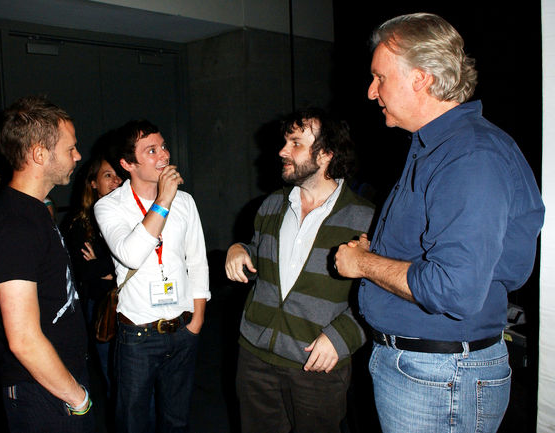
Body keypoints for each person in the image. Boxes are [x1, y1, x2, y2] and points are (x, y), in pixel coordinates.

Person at [333, 13, 545, 433]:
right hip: (427, 369)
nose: (371, 91)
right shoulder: (436, 148)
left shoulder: (470, 156)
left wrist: (363, 264)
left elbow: (455, 289)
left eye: (380, 78)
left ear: (421, 78)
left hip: (441, 374)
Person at [225, 108, 375, 433]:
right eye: (285, 141)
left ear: (326, 154)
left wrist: (343, 337)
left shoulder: (366, 219)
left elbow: (380, 294)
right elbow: (262, 264)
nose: (282, 150)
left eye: (295, 143)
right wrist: (240, 251)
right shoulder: (270, 206)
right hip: (255, 355)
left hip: (317, 364)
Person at [0, 96, 93, 433]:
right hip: (42, 391)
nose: (78, 156)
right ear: (39, 154)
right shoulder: (14, 224)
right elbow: (24, 338)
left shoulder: (34, 210)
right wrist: (77, 398)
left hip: (57, 381)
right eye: (71, 148)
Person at [94, 119, 209, 433]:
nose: (164, 156)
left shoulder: (186, 202)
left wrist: (196, 322)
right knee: (132, 422)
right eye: (152, 150)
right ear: (127, 163)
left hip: (183, 329)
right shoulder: (109, 207)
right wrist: (163, 201)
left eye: (164, 147)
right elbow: (130, 254)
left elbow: (198, 262)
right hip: (137, 337)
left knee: (176, 421)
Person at [64, 156, 122, 394]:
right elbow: (84, 270)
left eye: (118, 175)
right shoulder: (79, 223)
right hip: (101, 306)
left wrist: (108, 267)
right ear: (93, 183)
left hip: (135, 303)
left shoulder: (133, 216)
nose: (116, 180)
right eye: (108, 175)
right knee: (113, 376)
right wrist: (110, 268)